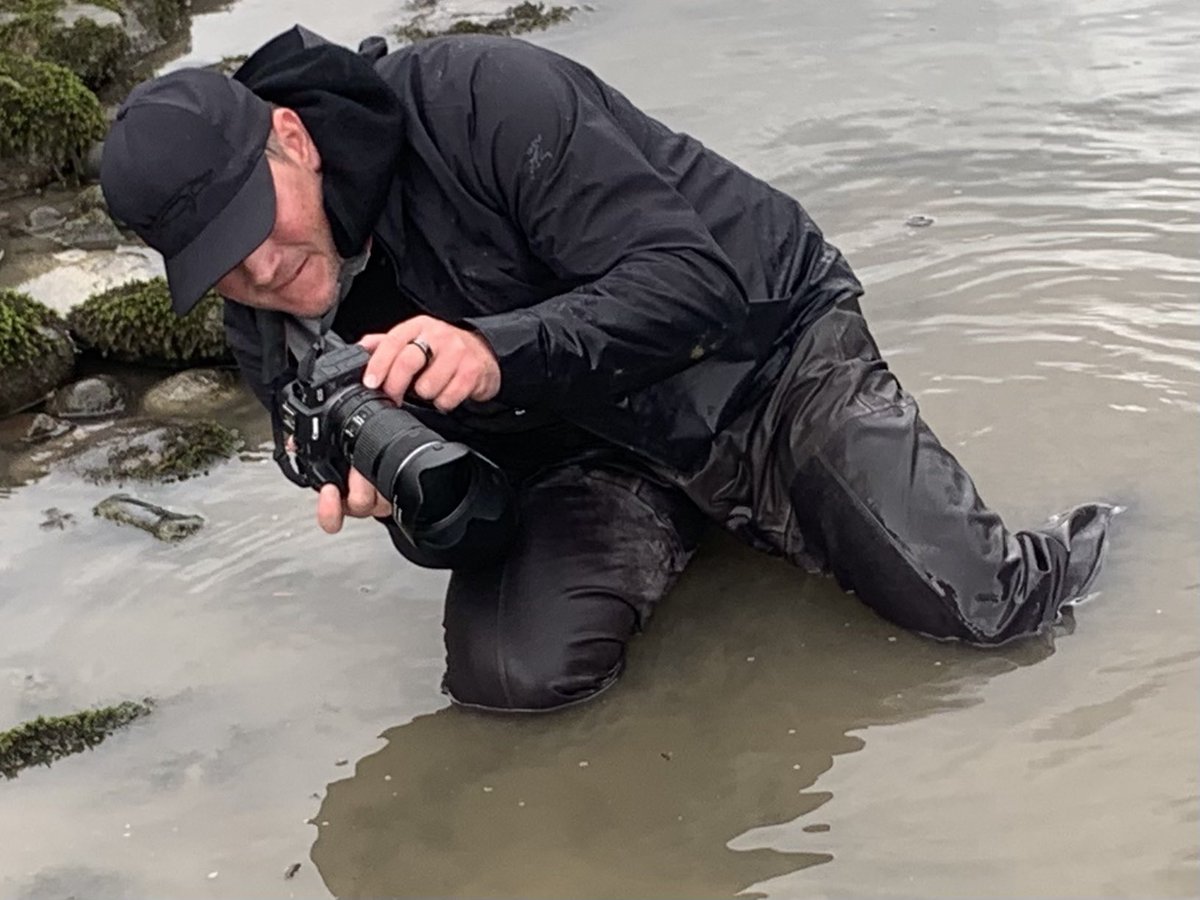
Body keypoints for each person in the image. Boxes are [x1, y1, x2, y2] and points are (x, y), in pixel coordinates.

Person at [100, 26, 1115, 712]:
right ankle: (701, 533)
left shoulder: (479, 96)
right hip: (575, 456)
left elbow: (692, 284)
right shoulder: (266, 314)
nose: (262, 268)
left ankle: (1119, 525)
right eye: (223, 264)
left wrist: (492, 352)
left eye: (255, 223)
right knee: (511, 684)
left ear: (294, 139)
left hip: (762, 364)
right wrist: (403, 503)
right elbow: (464, 513)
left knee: (985, 617)